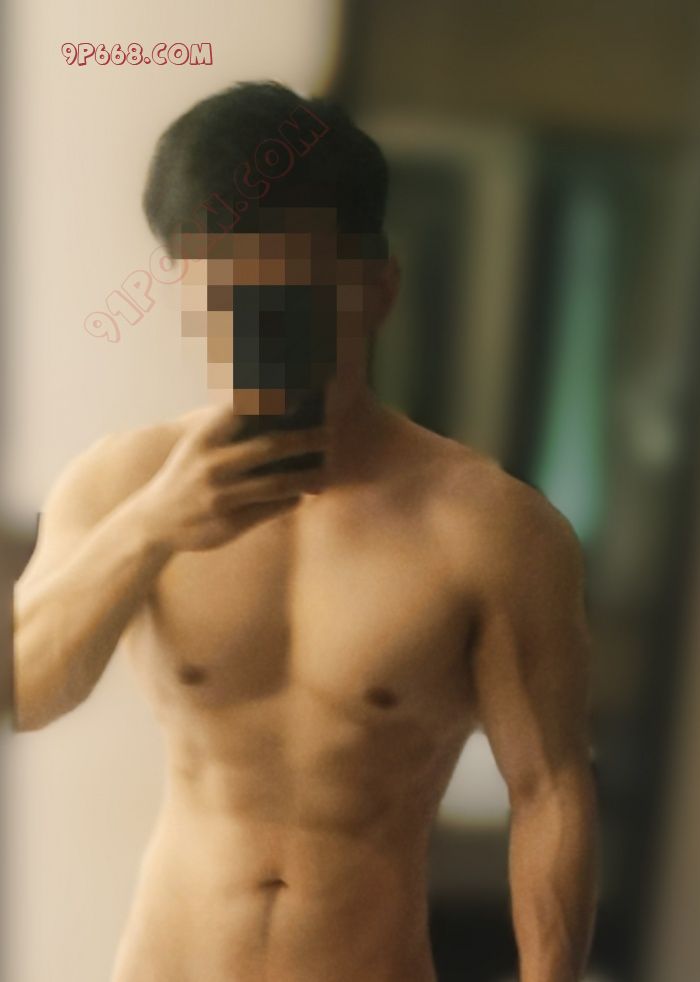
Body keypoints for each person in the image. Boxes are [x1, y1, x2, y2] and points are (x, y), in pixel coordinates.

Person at [12, 81, 598, 982]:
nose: (252, 329)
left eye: (285, 294)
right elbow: (22, 694)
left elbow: (549, 789)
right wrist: (151, 528)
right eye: (222, 294)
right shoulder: (121, 484)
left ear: (375, 289)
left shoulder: (491, 530)